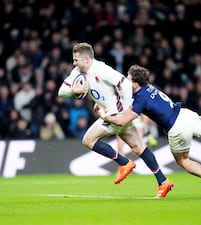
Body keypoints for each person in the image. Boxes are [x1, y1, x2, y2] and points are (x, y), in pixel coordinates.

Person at [98, 64, 201, 197]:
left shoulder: (140, 97)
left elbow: (124, 120)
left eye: (128, 78)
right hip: (186, 114)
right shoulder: (149, 88)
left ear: (135, 84)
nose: (126, 81)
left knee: (182, 160)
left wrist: (105, 116)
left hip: (176, 127)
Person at [58, 42, 173, 198]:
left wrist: (125, 110)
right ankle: (163, 181)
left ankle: (124, 162)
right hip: (113, 111)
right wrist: (73, 90)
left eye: (76, 59)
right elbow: (61, 92)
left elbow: (124, 83)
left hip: (115, 112)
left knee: (88, 140)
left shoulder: (100, 69)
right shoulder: (78, 71)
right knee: (138, 146)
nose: (74, 63)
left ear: (86, 59)